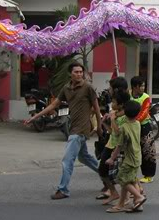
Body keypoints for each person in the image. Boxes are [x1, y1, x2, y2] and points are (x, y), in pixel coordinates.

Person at [26, 62, 102, 200]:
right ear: (70, 74)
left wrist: (99, 127)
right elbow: (54, 105)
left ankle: (63, 189)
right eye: (76, 72)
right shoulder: (66, 88)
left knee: (67, 160)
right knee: (84, 157)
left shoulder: (88, 87)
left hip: (81, 129)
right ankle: (108, 175)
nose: (79, 74)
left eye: (81, 72)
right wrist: (35, 117)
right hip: (74, 127)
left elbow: (97, 108)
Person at [106, 100, 146, 213]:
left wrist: (112, 158)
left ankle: (138, 197)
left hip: (129, 159)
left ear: (124, 113)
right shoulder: (137, 123)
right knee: (132, 180)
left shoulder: (124, 127)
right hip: (137, 157)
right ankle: (130, 204)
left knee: (121, 179)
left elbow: (119, 146)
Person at [96, 90, 131, 206]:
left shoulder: (125, 116)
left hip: (119, 147)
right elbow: (111, 131)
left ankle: (131, 196)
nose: (112, 103)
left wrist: (112, 119)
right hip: (110, 144)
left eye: (114, 101)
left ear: (121, 104)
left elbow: (118, 132)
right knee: (102, 170)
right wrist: (104, 123)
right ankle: (113, 192)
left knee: (121, 174)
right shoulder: (114, 113)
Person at [130, 76, 156, 183]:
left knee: (147, 150)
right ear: (134, 87)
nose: (143, 87)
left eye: (144, 85)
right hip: (131, 126)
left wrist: (134, 121)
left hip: (144, 126)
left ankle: (148, 175)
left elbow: (144, 112)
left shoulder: (146, 97)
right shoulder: (128, 95)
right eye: (141, 86)